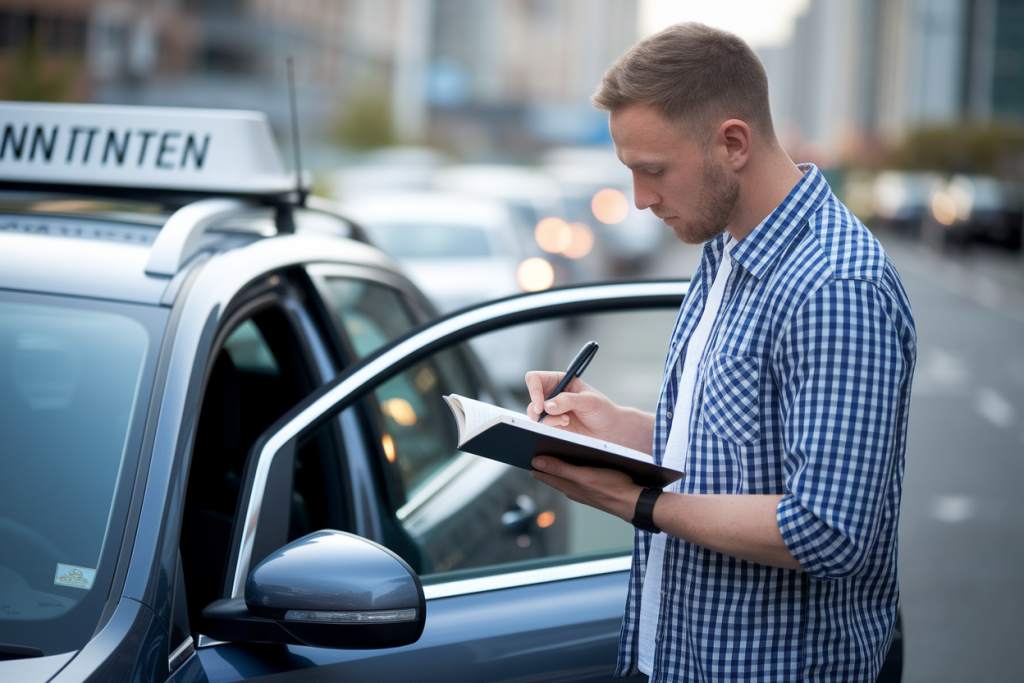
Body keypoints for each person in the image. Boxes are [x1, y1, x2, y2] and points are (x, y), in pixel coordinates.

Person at [525, 22, 916, 682]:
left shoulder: (836, 285)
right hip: (676, 656)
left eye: (653, 170)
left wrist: (639, 503)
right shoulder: (725, 249)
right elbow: (736, 454)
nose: (641, 199)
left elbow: (826, 529)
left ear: (733, 143)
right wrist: (619, 429)